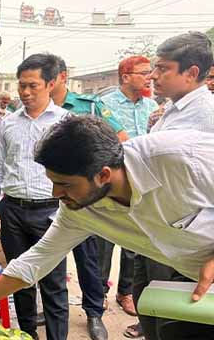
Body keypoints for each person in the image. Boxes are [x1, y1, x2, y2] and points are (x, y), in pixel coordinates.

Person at [0, 115, 214, 340]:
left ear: (103, 175)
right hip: (192, 279)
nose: (55, 193)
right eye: (52, 182)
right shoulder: (78, 209)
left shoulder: (184, 158)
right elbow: (39, 258)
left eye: (65, 184)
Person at [132, 31, 214, 340]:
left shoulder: (207, 116)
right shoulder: (172, 110)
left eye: (163, 68)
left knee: (173, 327)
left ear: (191, 73)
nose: (153, 76)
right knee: (150, 316)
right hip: (156, 237)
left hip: (189, 246)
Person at [0, 54, 69, 340]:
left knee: (54, 284)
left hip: (51, 213)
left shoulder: (64, 122)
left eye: (33, 85)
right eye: (22, 85)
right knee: (18, 280)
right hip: (12, 211)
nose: (25, 92)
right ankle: (28, 335)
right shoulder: (9, 123)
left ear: (50, 84)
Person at [51, 55, 111, 339]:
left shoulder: (88, 106)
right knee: (51, 259)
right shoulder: (29, 111)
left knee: (88, 260)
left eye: (49, 80)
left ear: (62, 77)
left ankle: (94, 312)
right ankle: (53, 309)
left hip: (87, 196)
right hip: (54, 198)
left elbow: (117, 141)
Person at [97, 55, 159, 318]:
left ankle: (125, 292)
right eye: (144, 72)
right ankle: (97, 292)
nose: (150, 76)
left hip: (143, 182)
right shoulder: (104, 104)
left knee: (133, 245)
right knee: (104, 241)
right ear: (125, 77)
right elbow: (119, 142)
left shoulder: (152, 106)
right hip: (113, 183)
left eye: (151, 72)